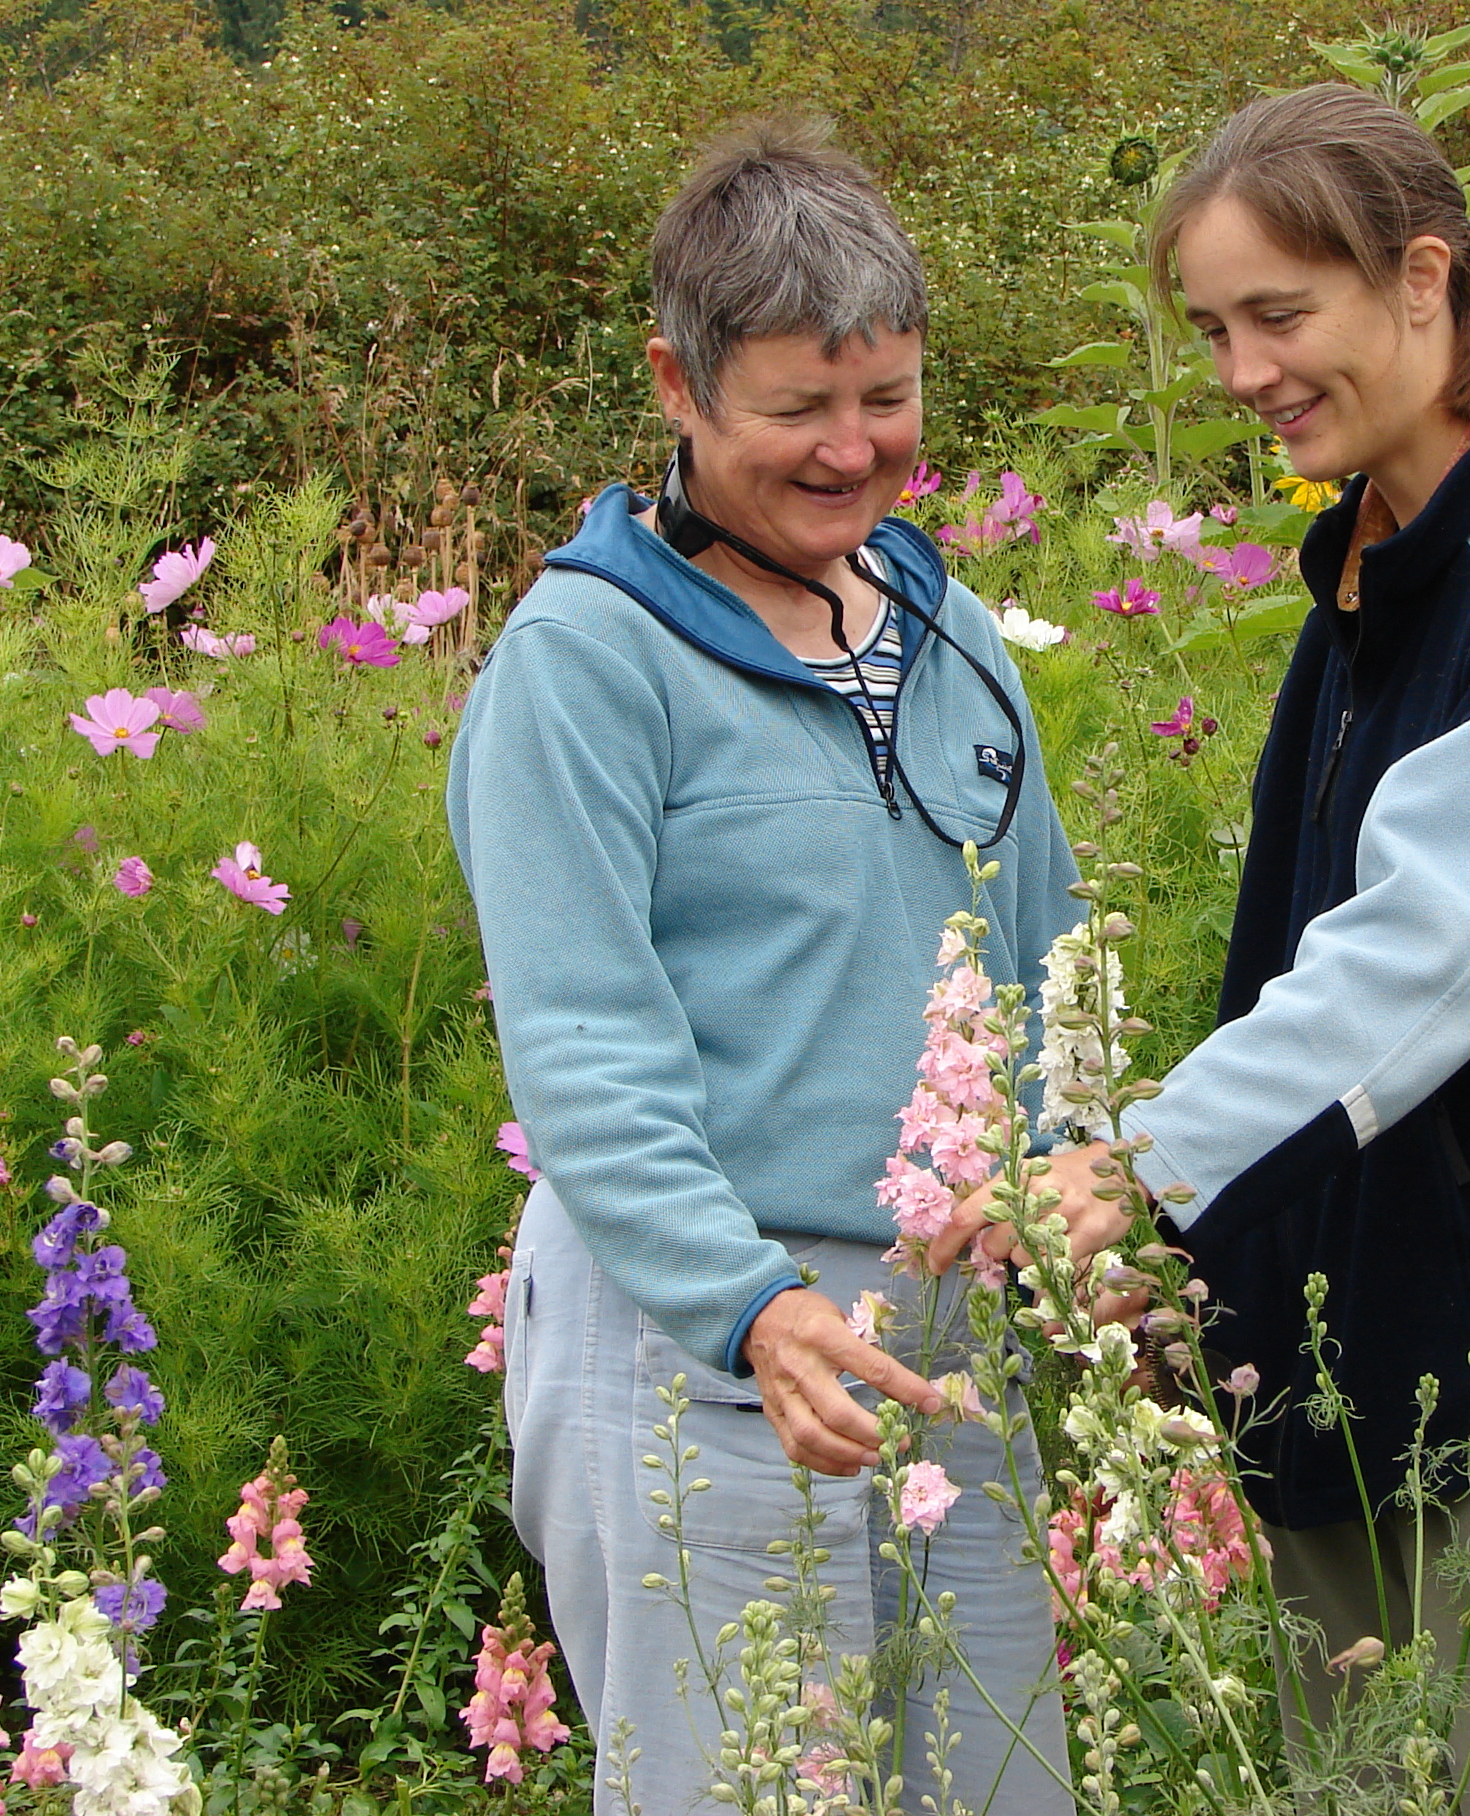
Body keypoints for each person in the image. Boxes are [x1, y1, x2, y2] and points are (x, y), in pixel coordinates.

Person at [936, 82, 1470, 1816]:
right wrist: (1209, 1264)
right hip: (1356, 1359)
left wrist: (1148, 1165)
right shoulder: (1377, 558)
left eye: (1278, 316)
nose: (1243, 372)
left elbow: (1453, 940)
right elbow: (1309, 972)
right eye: (1214, 328)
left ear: (1423, 281)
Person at [449, 116, 1078, 1816]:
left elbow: (1047, 961)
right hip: (700, 1338)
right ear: (678, 380)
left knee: (998, 1786)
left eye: (886, 401)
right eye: (798, 408)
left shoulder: (951, 636)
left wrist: (1084, 1181)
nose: (851, 451)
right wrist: (749, 1310)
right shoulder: (587, 660)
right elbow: (583, 1043)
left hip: (947, 1335)